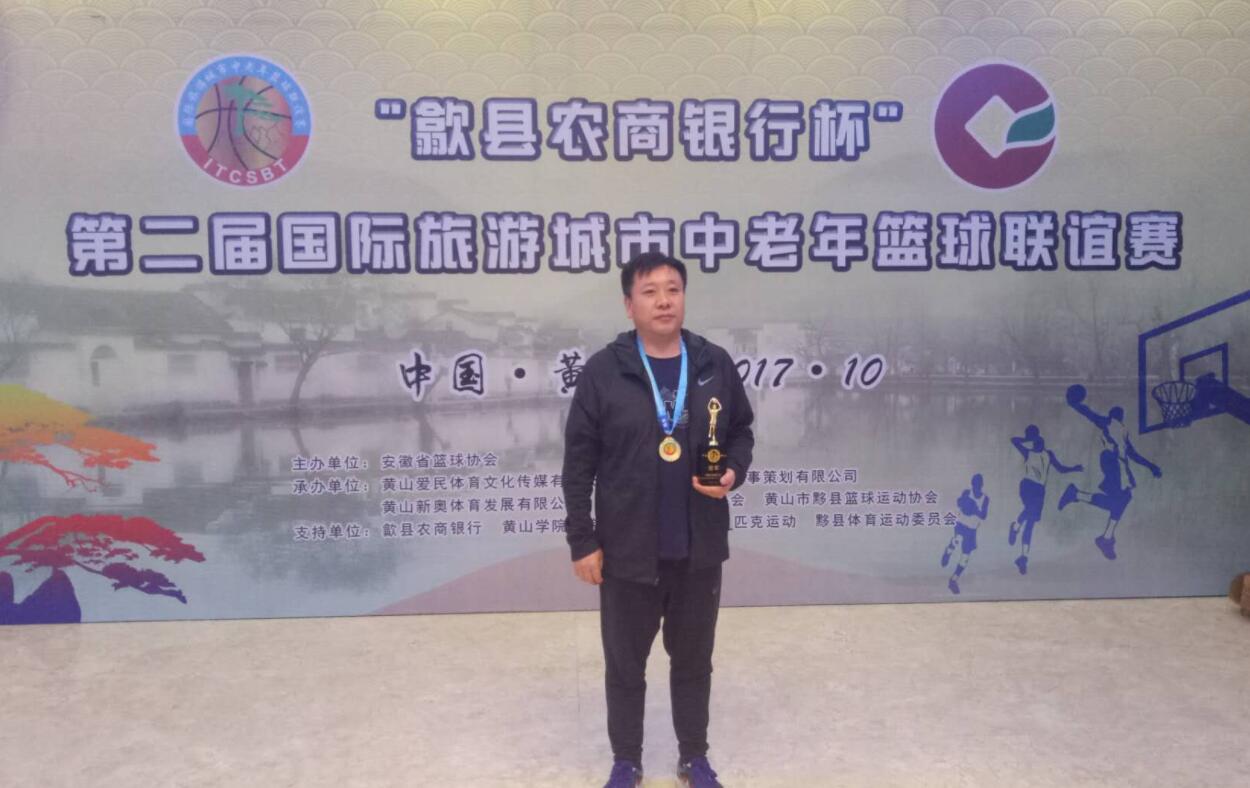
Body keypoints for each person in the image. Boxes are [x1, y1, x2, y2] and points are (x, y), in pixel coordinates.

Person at [562, 252, 754, 788]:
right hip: (626, 553)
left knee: (694, 662)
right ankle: (626, 760)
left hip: (698, 549)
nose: (664, 300)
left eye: (673, 289)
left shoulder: (714, 363)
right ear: (629, 305)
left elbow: (741, 430)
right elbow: (578, 464)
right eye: (650, 292)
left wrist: (733, 470)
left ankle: (695, 756)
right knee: (625, 666)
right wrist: (582, 540)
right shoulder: (604, 372)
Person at [1058, 384, 1162, 560]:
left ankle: (1103, 532)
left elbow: (1133, 453)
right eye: (1117, 412)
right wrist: (1075, 404)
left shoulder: (1123, 430)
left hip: (1119, 464)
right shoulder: (1108, 423)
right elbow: (1090, 414)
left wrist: (1151, 465)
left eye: (1121, 413)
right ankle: (1103, 534)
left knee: (1122, 499)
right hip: (1112, 462)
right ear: (1113, 415)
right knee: (1120, 499)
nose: (1120, 414)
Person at [1006, 425, 1082, 575]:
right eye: (1032, 438)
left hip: (1040, 490)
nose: (1037, 441)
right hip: (1027, 485)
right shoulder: (1028, 452)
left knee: (1030, 523)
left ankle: (1023, 557)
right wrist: (1027, 439)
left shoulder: (1048, 454)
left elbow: (1060, 468)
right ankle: (1015, 528)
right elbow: (1013, 440)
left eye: (1035, 437)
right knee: (1029, 510)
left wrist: (1074, 468)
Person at [941, 473, 989, 594]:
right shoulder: (967, 492)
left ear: (981, 486)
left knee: (965, 557)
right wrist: (967, 505)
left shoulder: (985, 499)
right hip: (961, 524)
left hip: (972, 530)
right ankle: (948, 552)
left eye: (978, 485)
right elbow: (959, 502)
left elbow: (984, 515)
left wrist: (975, 509)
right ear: (972, 485)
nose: (976, 487)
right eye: (974, 485)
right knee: (957, 540)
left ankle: (953, 580)